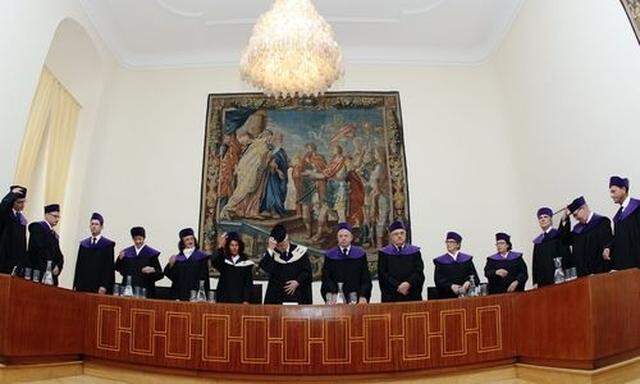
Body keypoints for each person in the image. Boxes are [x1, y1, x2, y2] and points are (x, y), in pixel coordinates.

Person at [559, 196, 613, 276]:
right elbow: (565, 240)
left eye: (576, 214)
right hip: (582, 274)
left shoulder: (602, 222)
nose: (576, 218)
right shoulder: (577, 230)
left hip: (600, 273)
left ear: (584, 208)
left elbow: (608, 243)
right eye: (574, 216)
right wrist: (565, 219)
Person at [260, 224, 313, 304]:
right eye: (278, 246)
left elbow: (307, 272)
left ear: (287, 238)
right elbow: (265, 267)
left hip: (298, 296)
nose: (281, 248)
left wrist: (297, 282)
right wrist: (270, 249)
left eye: (283, 245)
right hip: (277, 298)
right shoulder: (272, 254)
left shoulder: (300, 252)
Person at [320, 222, 372, 304]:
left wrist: (363, 296)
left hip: (356, 298)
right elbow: (326, 278)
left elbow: (365, 278)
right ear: (337, 238)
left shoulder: (360, 254)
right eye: (340, 236)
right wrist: (332, 294)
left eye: (346, 236)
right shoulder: (330, 255)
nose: (343, 238)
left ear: (351, 238)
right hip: (336, 299)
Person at [377, 220, 425, 302]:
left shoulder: (415, 252)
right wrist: (398, 286)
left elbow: (419, 272)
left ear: (406, 235)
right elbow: (383, 275)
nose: (399, 236)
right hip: (392, 298)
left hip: (412, 296)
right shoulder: (384, 253)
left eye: (402, 233)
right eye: (396, 234)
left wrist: (408, 283)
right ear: (391, 237)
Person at [114, 226, 163, 298]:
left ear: (144, 238)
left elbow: (160, 274)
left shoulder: (151, 254)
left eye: (140, 239)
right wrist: (119, 259)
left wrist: (152, 270)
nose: (138, 241)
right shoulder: (126, 253)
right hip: (128, 290)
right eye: (135, 239)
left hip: (145, 290)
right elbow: (119, 269)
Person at [164, 228, 210, 301]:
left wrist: (203, 295)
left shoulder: (201, 257)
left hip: (195, 295)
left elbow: (204, 278)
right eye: (187, 240)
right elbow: (171, 275)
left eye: (192, 239)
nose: (190, 241)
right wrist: (171, 264)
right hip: (179, 294)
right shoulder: (178, 257)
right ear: (183, 242)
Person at [73, 213, 115, 293]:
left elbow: (108, 267)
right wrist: (76, 284)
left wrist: (104, 285)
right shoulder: (84, 244)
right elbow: (79, 266)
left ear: (101, 227)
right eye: (92, 224)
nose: (94, 226)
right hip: (83, 285)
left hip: (98, 286)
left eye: (96, 224)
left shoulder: (107, 245)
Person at [605, 176, 640, 270]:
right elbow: (619, 238)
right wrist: (609, 247)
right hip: (626, 268)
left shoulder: (637, 208)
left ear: (623, 189)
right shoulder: (619, 215)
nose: (611, 195)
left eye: (613, 191)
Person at [532, 207, 572, 287]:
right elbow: (535, 264)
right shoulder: (538, 242)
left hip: (559, 279)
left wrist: (567, 275)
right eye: (540, 218)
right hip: (542, 281)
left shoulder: (558, 236)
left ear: (550, 219)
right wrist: (535, 281)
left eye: (545, 217)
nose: (543, 219)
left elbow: (566, 255)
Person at [211, 231, 254, 303]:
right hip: (223, 298)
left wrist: (246, 300)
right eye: (232, 245)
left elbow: (248, 283)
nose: (234, 248)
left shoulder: (246, 263)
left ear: (239, 246)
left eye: (236, 245)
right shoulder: (224, 261)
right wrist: (220, 246)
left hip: (239, 299)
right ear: (228, 246)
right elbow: (214, 261)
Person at [433, 231, 479, 299]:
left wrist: (468, 282)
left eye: (451, 242)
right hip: (447, 298)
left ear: (458, 245)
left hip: (466, 297)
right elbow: (438, 281)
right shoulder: (440, 261)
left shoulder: (466, 259)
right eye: (447, 242)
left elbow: (476, 278)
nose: (448, 244)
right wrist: (451, 286)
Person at [27, 204, 64, 285]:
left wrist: (58, 266)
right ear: (46, 215)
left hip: (50, 276)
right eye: (55, 216)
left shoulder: (54, 235)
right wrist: (53, 265)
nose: (57, 219)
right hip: (38, 272)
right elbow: (41, 249)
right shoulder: (38, 227)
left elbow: (59, 255)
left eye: (58, 217)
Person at [0, 186, 27, 274]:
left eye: (24, 202)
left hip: (15, 262)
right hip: (3, 259)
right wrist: (12, 194)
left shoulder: (21, 219)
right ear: (12, 202)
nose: (22, 205)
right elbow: (3, 206)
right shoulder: (6, 215)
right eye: (19, 202)